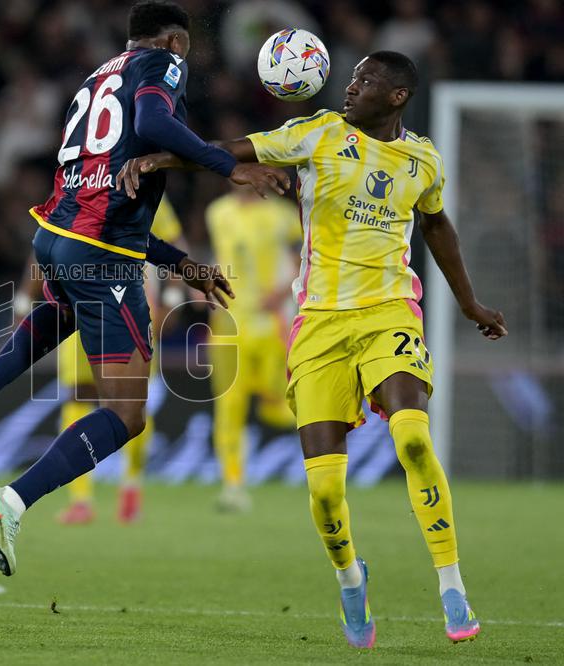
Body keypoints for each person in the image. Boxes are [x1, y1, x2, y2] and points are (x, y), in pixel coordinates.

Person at [116, 51, 506, 647]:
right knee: (325, 489)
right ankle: (351, 579)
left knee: (413, 439)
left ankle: (451, 585)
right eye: (351, 78)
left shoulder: (423, 159)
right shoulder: (316, 134)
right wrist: (158, 157)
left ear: (397, 96)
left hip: (388, 312)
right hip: (319, 323)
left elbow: (435, 225)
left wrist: (469, 302)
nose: (350, 88)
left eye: (365, 81)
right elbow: (233, 151)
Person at [0, 0, 286, 577]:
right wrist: (226, 164)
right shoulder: (164, 64)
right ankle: (12, 500)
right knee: (126, 410)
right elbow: (151, 123)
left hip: (57, 236)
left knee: (62, 312)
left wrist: (181, 263)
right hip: (101, 255)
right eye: (184, 47)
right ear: (173, 40)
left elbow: (109, 193)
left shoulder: (97, 77)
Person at [54, 196, 185, 525]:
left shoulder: (146, 192)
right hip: (81, 308)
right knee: (79, 394)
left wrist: (171, 295)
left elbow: (174, 243)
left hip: (130, 308)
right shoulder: (73, 186)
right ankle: (80, 498)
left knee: (130, 400)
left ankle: (130, 484)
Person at [205, 185, 300, 512]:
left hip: (271, 324)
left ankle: (319, 461)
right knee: (228, 407)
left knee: (282, 402)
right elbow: (220, 261)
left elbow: (304, 260)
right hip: (229, 326)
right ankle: (233, 485)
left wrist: (284, 292)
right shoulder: (217, 212)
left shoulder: (284, 216)